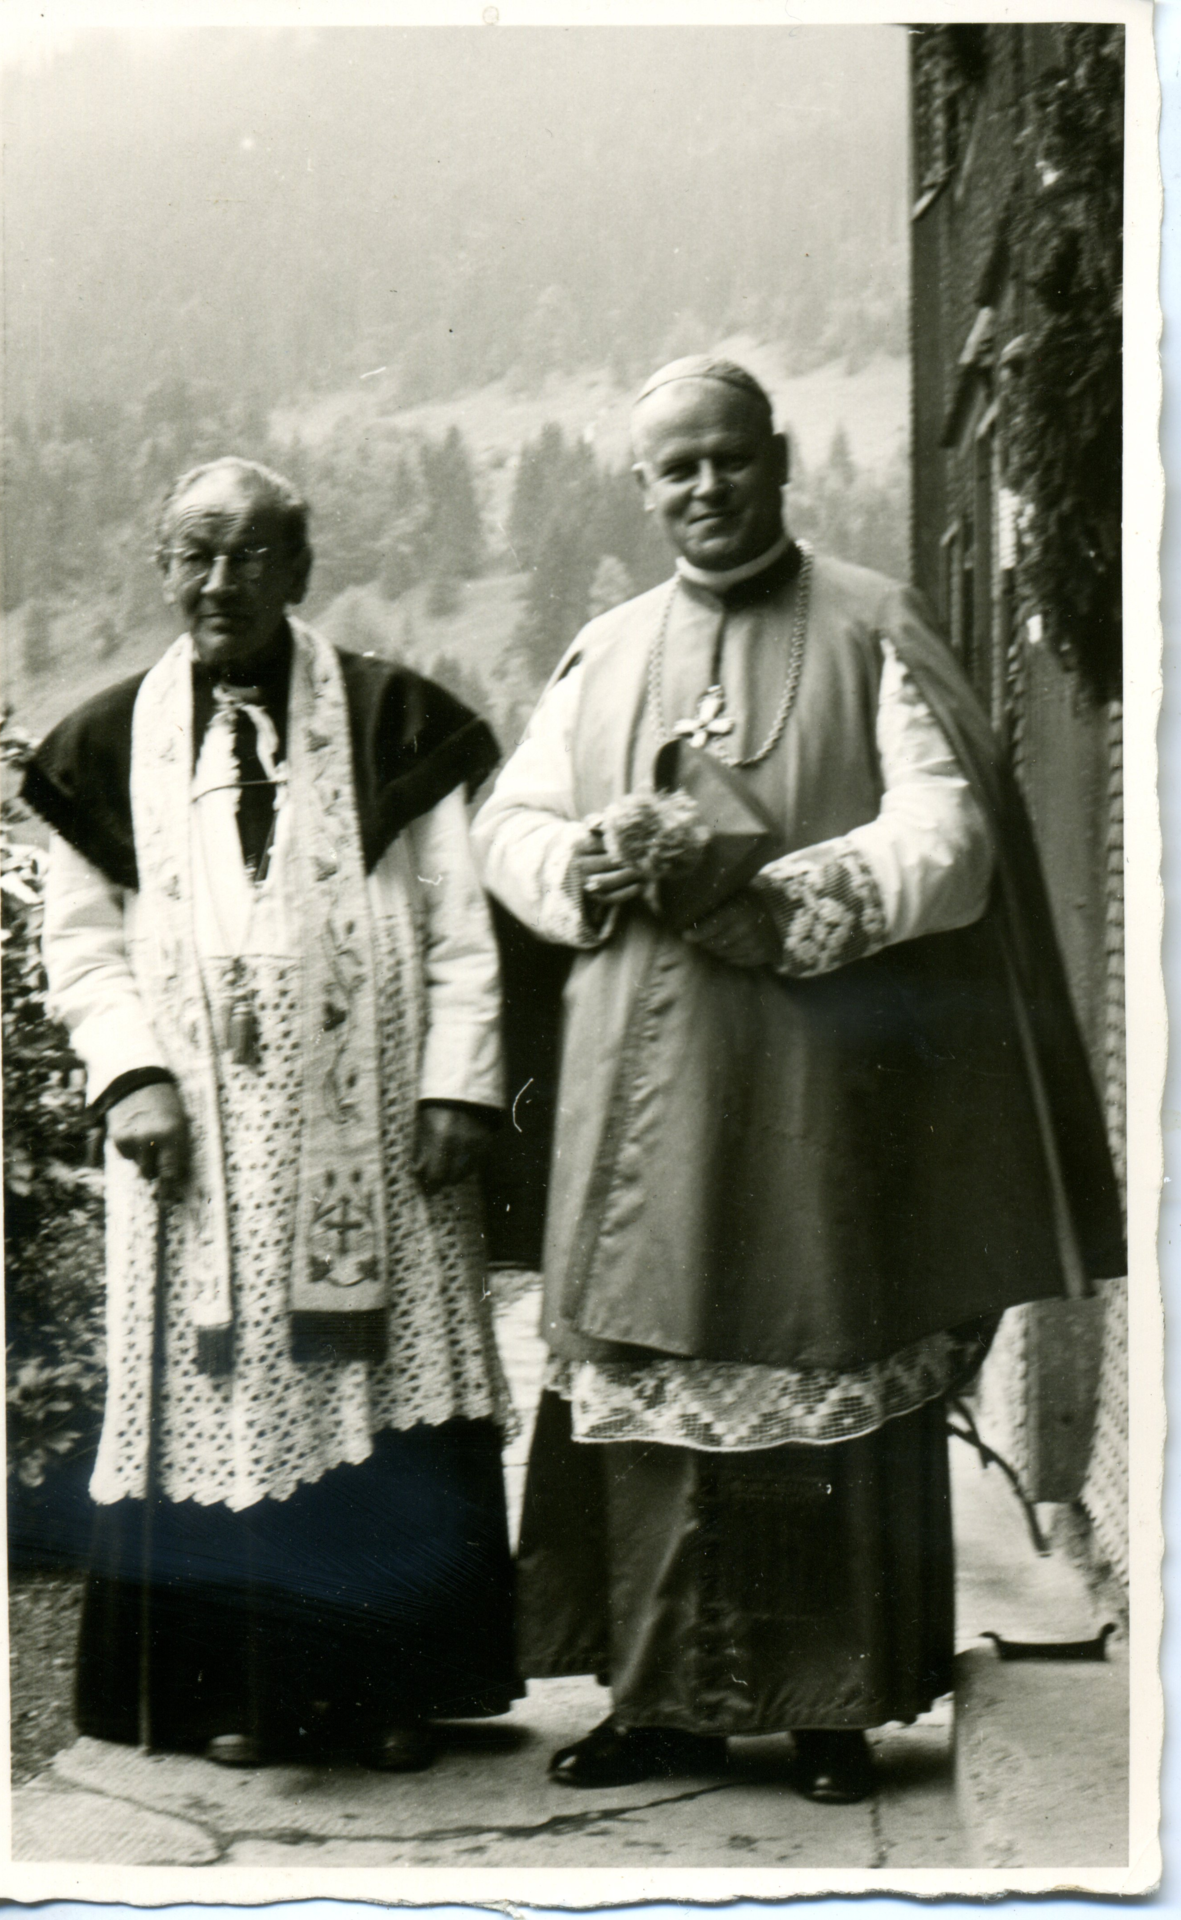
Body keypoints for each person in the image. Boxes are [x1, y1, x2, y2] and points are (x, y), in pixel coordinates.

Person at [471, 357, 1124, 1803]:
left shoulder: (874, 622)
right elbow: (508, 823)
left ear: (777, 459)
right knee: (645, 1391)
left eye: (729, 458)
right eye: (676, 469)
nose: (706, 488)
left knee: (819, 1377)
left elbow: (948, 839)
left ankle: (829, 1707)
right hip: (637, 1091)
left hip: (814, 1086)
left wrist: (785, 899)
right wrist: (577, 860)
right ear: (643, 488)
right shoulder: (603, 649)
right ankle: (657, 1703)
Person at [23, 457, 518, 1772]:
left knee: (379, 1400)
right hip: (198, 1151)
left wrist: (458, 1083)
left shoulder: (393, 719)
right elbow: (80, 947)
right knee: (231, 1400)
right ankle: (237, 1694)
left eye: (249, 555)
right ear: (161, 568)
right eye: (194, 554)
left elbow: (462, 934)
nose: (219, 582)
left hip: (378, 1142)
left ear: (299, 569)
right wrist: (132, 1074)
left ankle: (389, 1691)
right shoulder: (101, 744)